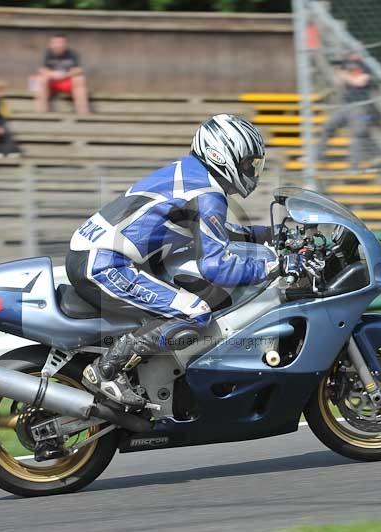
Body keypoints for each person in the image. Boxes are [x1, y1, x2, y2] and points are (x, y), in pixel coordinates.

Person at [67, 114, 277, 409]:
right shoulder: (206, 192)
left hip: (93, 254)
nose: (250, 172)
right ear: (222, 154)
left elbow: (218, 232)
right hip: (105, 264)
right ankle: (107, 369)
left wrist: (270, 235)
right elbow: (216, 266)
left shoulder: (191, 174)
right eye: (246, 164)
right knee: (195, 312)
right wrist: (272, 266)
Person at [317, 52, 373, 170]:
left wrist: (345, 75)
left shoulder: (366, 66)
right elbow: (337, 82)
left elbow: (360, 82)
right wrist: (340, 73)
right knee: (328, 126)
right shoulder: (345, 66)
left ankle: (354, 167)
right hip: (346, 106)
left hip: (361, 107)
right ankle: (319, 155)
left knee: (357, 134)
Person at [29, 34, 90, 114]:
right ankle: (41, 113)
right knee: (38, 79)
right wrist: (52, 74)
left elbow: (79, 70)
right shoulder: (46, 54)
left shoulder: (73, 54)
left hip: (67, 81)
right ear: (51, 44)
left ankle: (83, 113)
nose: (58, 45)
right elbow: (41, 70)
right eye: (55, 43)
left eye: (61, 43)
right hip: (51, 82)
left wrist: (65, 75)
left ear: (65, 44)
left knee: (80, 79)